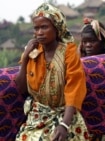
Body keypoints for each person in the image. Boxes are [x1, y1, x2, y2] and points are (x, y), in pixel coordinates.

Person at [14, 3, 90, 141]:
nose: (39, 32)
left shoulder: (69, 52)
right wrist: (25, 58)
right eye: (36, 28)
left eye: (44, 27)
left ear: (57, 28)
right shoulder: (33, 53)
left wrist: (64, 125)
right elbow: (21, 87)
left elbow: (74, 90)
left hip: (66, 116)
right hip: (38, 117)